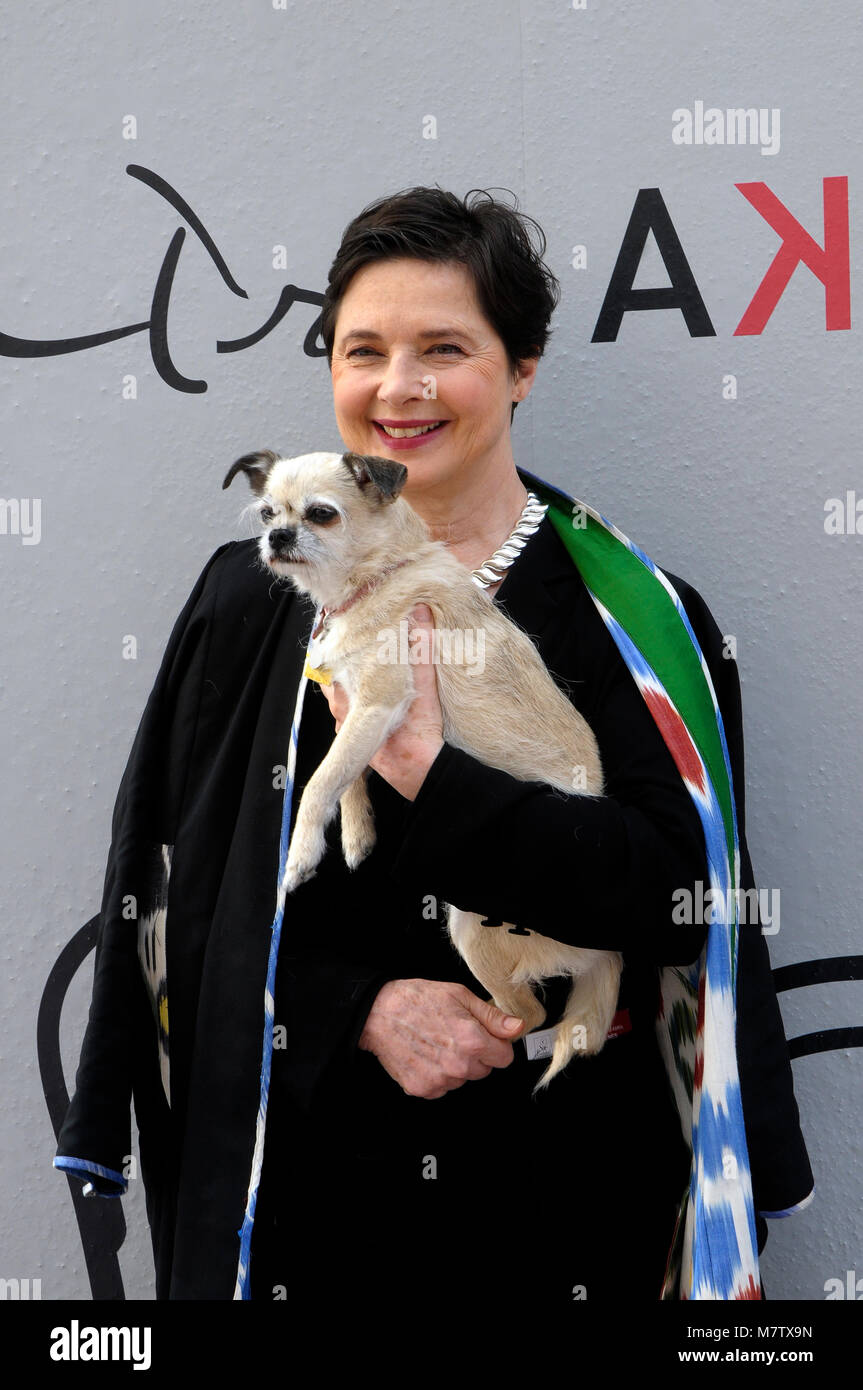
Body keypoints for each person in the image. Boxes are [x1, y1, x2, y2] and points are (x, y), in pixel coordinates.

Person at [54, 186, 813, 1306]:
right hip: (313, 1209)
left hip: (565, 1207)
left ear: (521, 369)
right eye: (362, 350)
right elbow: (190, 901)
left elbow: (678, 893)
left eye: (443, 349)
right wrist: (354, 1006)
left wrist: (432, 780)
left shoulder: (641, 622)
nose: (397, 387)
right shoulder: (245, 604)